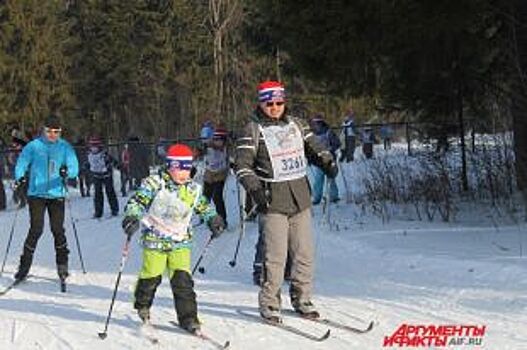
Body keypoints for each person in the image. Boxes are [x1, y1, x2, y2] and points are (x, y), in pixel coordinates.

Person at [234, 80, 338, 322]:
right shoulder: (251, 129)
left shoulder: (297, 124)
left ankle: (302, 298)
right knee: (275, 256)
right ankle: (270, 302)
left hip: (300, 198)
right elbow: (241, 166)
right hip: (272, 202)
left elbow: (316, 147)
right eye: (269, 103)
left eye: (279, 102)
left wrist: (327, 161)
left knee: (304, 254)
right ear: (261, 103)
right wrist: (256, 191)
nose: (275, 107)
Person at [122, 143, 225, 332]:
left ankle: (188, 318)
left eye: (187, 167)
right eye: (179, 167)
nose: (183, 173)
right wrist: (132, 217)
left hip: (180, 241)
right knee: (152, 275)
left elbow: (203, 206)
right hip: (155, 239)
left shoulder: (192, 189)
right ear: (170, 166)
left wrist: (213, 219)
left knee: (182, 280)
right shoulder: (154, 183)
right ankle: (142, 304)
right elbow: (137, 201)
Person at [13, 115, 79, 282]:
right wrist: (19, 176)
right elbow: (22, 162)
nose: (52, 135)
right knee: (36, 229)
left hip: (57, 194)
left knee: (57, 230)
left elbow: (74, 167)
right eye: (49, 131)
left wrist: (67, 172)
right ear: (44, 130)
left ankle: (62, 266)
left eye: (56, 132)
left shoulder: (65, 147)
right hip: (36, 194)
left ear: (60, 132)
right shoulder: (34, 146)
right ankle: (24, 267)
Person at [202, 127, 230, 227]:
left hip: (220, 174)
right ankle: (205, 217)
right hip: (209, 173)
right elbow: (201, 149)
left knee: (217, 197)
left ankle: (223, 220)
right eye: (216, 139)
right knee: (205, 197)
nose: (218, 142)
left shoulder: (226, 147)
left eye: (220, 140)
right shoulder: (209, 145)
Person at [310, 115, 341, 204]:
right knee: (318, 179)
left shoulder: (329, 132)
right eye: (314, 124)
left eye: (316, 123)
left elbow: (337, 143)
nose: (315, 126)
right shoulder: (313, 134)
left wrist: (329, 149)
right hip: (319, 160)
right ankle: (316, 198)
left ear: (321, 123)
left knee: (331, 178)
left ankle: (334, 196)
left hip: (329, 159)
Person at [87, 136, 119, 218]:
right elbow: (87, 164)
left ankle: (114, 209)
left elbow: (114, 162)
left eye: (95, 146)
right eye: (92, 146)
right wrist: (83, 169)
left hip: (106, 175)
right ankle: (98, 212)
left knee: (110, 192)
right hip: (96, 176)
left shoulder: (104, 155)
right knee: (98, 194)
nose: (94, 148)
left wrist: (118, 166)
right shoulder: (89, 155)